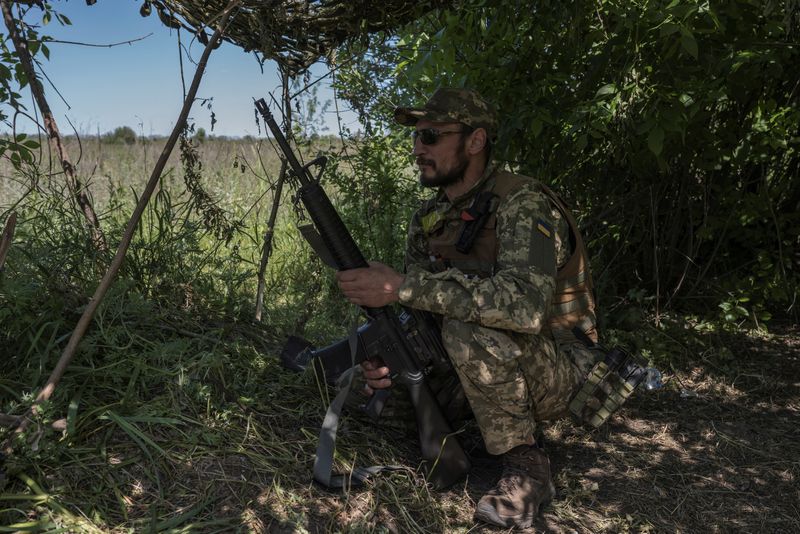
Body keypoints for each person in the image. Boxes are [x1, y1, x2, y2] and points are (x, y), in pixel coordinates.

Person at [334, 88, 599, 529]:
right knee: (374, 392)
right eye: (417, 138)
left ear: (475, 142)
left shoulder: (522, 204)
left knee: (466, 329)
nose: (419, 148)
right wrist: (387, 355)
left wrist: (401, 287)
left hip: (561, 367)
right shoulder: (431, 218)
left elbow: (524, 309)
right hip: (487, 360)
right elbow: (418, 311)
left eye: (432, 136)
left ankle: (528, 467)